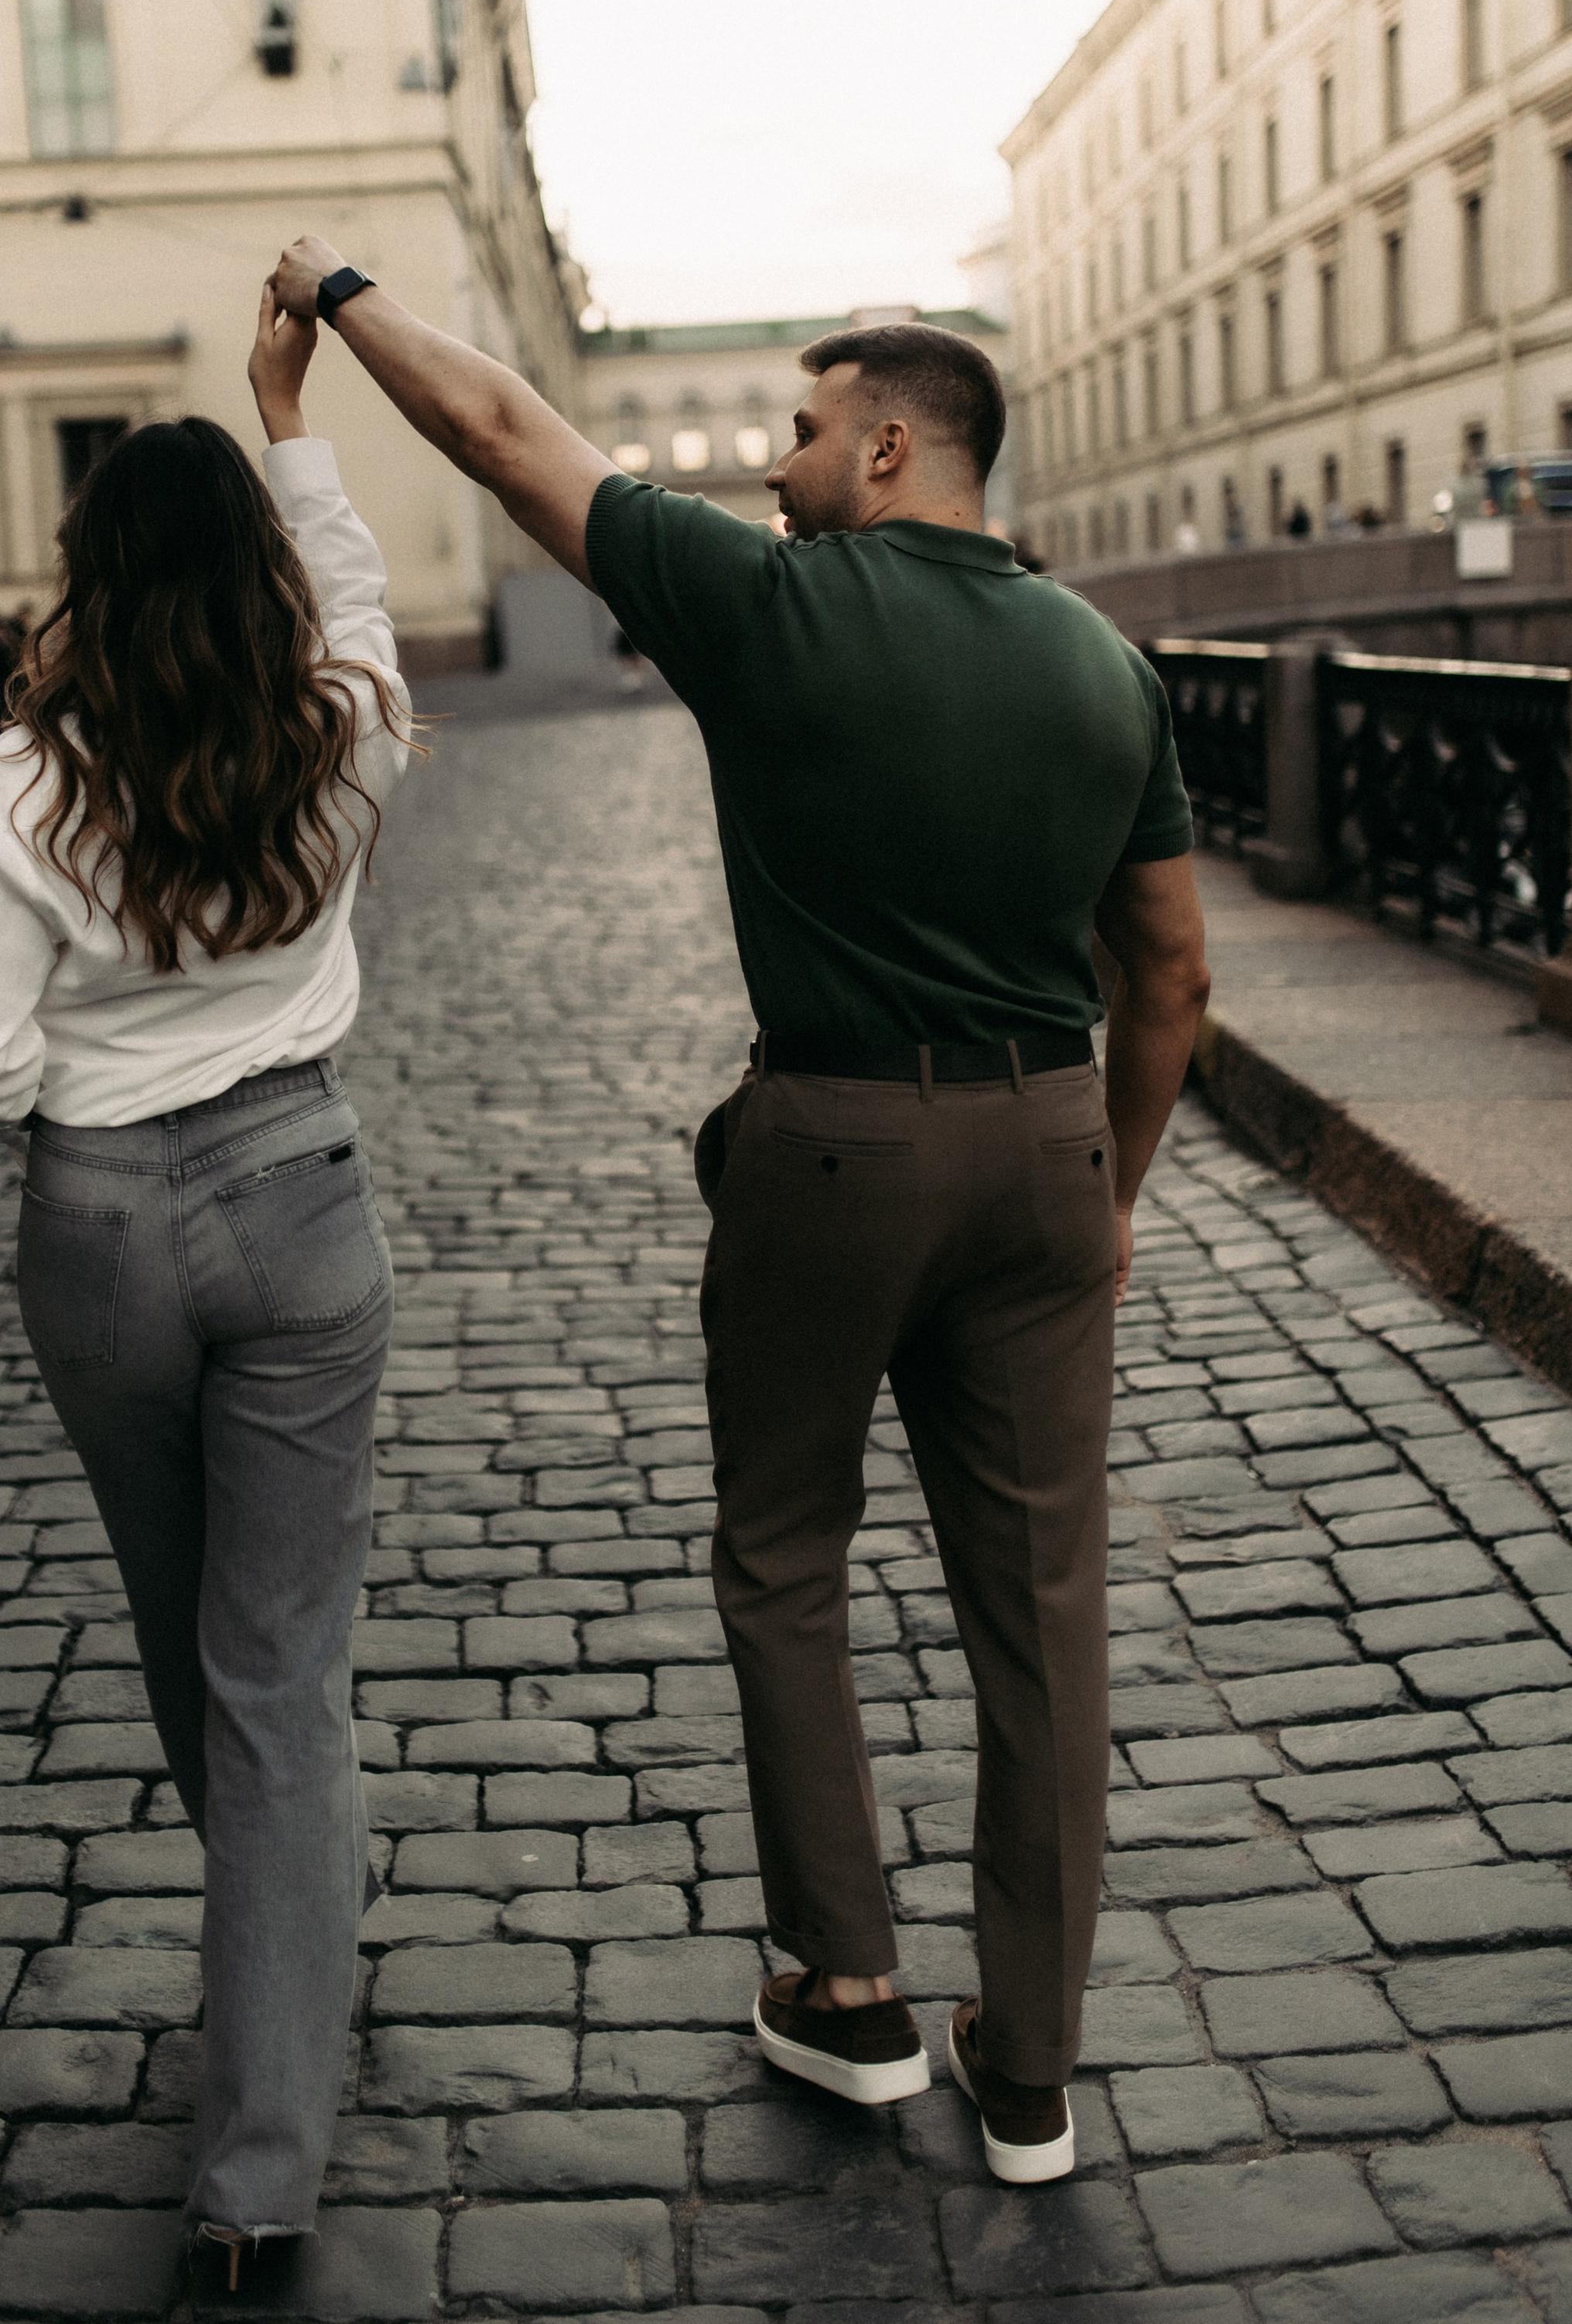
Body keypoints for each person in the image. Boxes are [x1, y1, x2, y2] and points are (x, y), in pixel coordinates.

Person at [268, 233, 1211, 2189]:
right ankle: (1030, 2069)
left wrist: (333, 289)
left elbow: (499, 429)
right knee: (1042, 1610)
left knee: (784, 1548)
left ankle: (846, 1991)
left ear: (886, 447)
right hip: (1047, 1140)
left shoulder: (767, 603)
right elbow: (1172, 972)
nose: (771, 463)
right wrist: (1108, 1184)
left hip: (833, 1144)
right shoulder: (1105, 661)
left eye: (797, 428)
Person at [0, 286, 410, 2287]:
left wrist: (97, 1091)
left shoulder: (24, 786)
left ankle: (285, 1952)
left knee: (186, 1625)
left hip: (99, 1226)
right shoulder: (347, 729)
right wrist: (293, 415)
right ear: (258, 575)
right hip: (299, 1194)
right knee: (277, 1665)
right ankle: (263, 2153)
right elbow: (358, 595)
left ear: (89, 578)